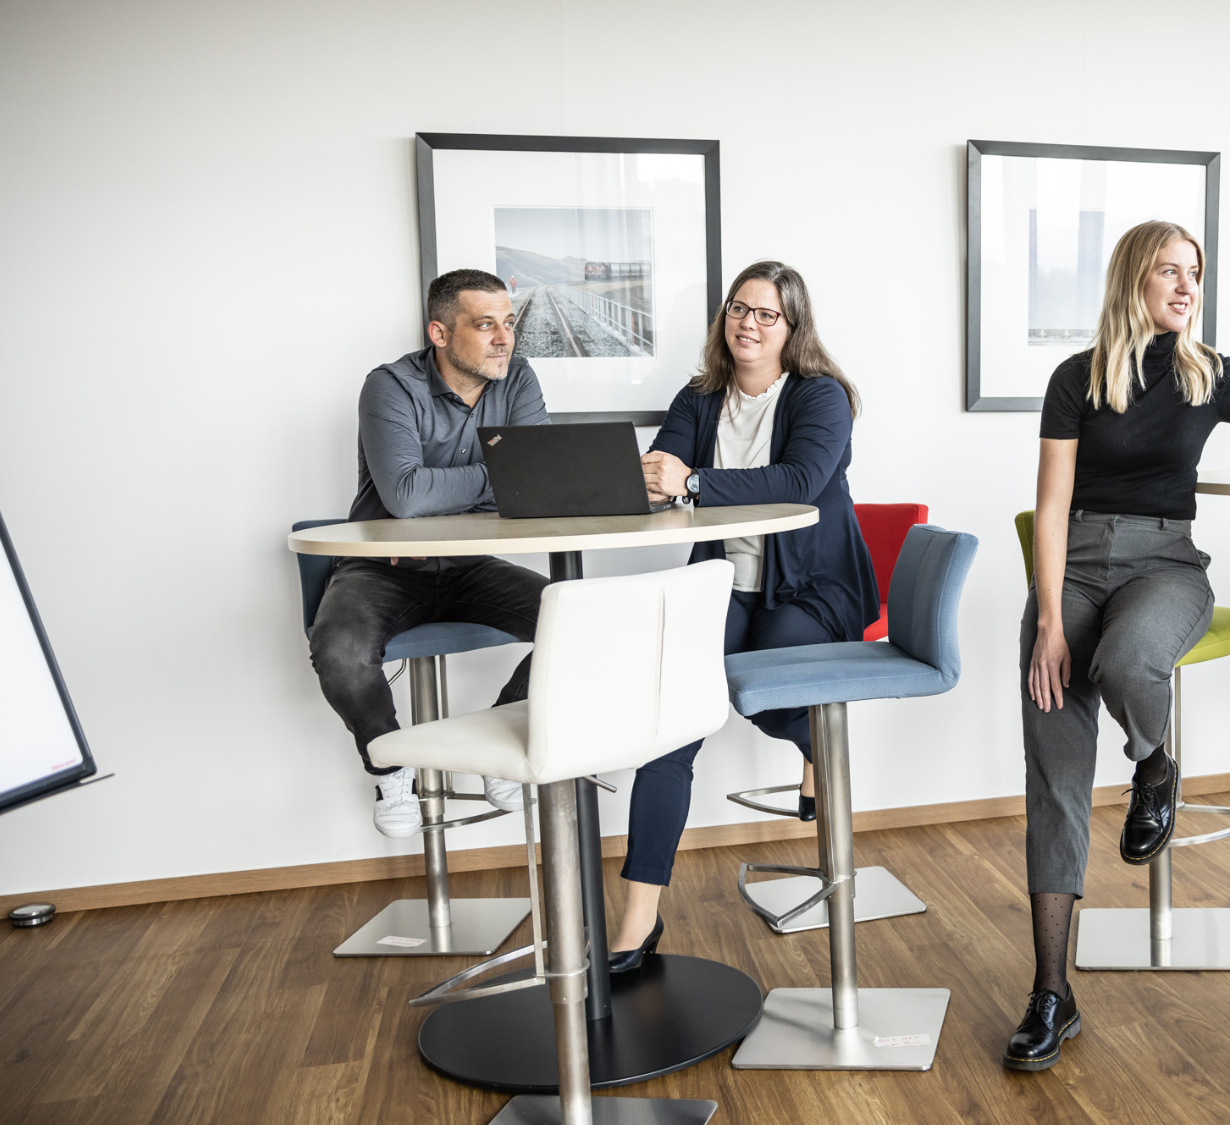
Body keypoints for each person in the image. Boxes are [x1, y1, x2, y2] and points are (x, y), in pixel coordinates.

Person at [1006, 219, 1230, 1072]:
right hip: (1074, 568)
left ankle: (1154, 764)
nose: (1186, 286)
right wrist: (1048, 618)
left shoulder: (1212, 374)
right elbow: (1051, 505)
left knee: (1128, 659)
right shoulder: (1074, 378)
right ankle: (1052, 992)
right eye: (1168, 272)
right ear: (1131, 281)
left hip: (1166, 563)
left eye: (1194, 273)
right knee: (1054, 777)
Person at [609, 260, 878, 972]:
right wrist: (650, 483)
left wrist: (693, 482)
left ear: (793, 328)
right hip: (725, 584)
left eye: (766, 314)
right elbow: (659, 477)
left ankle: (823, 744)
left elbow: (797, 484)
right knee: (675, 724)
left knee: (758, 691)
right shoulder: (701, 398)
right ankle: (636, 925)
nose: (748, 324)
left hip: (814, 585)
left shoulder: (821, 397)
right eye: (738, 309)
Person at [309, 268, 549, 837]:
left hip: (470, 567)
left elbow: (536, 480)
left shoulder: (517, 379)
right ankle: (390, 767)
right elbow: (407, 496)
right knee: (339, 650)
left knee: (584, 618)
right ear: (439, 334)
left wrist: (498, 480)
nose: (503, 339)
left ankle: (499, 737)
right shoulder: (389, 386)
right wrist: (500, 476)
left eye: (508, 323)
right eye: (485, 324)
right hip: (383, 570)